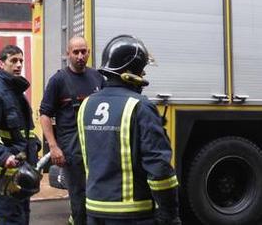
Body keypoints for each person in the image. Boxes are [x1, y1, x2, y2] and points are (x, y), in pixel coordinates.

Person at [77, 35, 180, 225]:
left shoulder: (86, 105)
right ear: (130, 71)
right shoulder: (140, 106)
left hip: (94, 210)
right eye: (142, 70)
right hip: (132, 214)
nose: (143, 75)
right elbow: (159, 169)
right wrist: (169, 214)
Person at [40, 36, 104, 225]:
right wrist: (53, 147)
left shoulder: (97, 78)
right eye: (75, 52)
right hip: (71, 151)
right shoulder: (59, 80)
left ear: (89, 53)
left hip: (95, 149)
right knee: (78, 198)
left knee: (96, 198)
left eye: (83, 51)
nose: (80, 56)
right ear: (68, 54)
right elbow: (44, 115)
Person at [0, 44, 40, 225]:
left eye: (21, 60)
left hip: (20, 169)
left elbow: (24, 133)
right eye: (13, 60)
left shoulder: (17, 94)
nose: (18, 65)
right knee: (6, 217)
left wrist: (36, 146)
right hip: (3, 170)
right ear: (1, 64)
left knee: (20, 216)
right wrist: (4, 157)